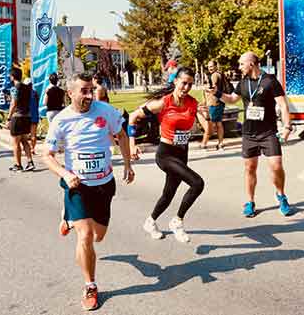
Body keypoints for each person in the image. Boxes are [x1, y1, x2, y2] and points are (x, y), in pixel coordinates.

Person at [43, 73, 134, 311]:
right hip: (77, 186)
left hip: (104, 184)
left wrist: (127, 164)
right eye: (83, 91)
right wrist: (65, 174)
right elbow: (47, 156)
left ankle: (68, 216)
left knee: (98, 236)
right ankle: (90, 285)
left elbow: (122, 135)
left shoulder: (105, 110)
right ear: (70, 93)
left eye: (90, 90)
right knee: (84, 236)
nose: (88, 95)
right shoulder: (61, 120)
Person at [129, 67, 204, 243]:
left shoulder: (192, 103)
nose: (186, 87)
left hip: (182, 153)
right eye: (183, 83)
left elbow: (195, 121)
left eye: (190, 84)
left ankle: (150, 221)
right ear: (175, 81)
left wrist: (205, 122)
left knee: (168, 193)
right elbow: (133, 116)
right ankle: (177, 222)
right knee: (197, 183)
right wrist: (132, 145)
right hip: (166, 154)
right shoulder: (163, 103)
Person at [215, 51, 293, 218]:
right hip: (249, 133)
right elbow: (231, 99)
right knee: (250, 168)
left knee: (276, 165)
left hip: (269, 132)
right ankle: (250, 202)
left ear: (251, 64)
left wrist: (287, 127)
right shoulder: (243, 83)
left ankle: (281, 195)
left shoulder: (270, 81)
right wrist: (217, 93)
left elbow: (283, 105)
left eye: (241, 64)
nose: (239, 67)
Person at [7, 68, 34, 172]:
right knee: (25, 140)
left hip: (17, 117)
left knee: (16, 142)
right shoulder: (27, 88)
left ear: (12, 77)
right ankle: (30, 162)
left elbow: (13, 103)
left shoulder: (14, 88)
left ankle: (18, 164)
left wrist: (8, 118)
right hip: (27, 116)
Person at [201, 60, 226, 150]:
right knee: (218, 123)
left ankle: (204, 143)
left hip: (214, 102)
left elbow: (213, 88)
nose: (210, 68)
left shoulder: (215, 75)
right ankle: (221, 143)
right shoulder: (220, 74)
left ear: (216, 66)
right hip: (218, 102)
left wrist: (205, 88)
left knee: (210, 124)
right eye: (208, 66)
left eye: (211, 66)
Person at [25, 78, 40, 155]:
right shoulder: (35, 93)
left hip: (25, 116)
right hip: (34, 115)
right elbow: (37, 103)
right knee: (33, 134)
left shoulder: (23, 94)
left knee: (24, 135)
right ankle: (32, 149)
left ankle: (27, 148)